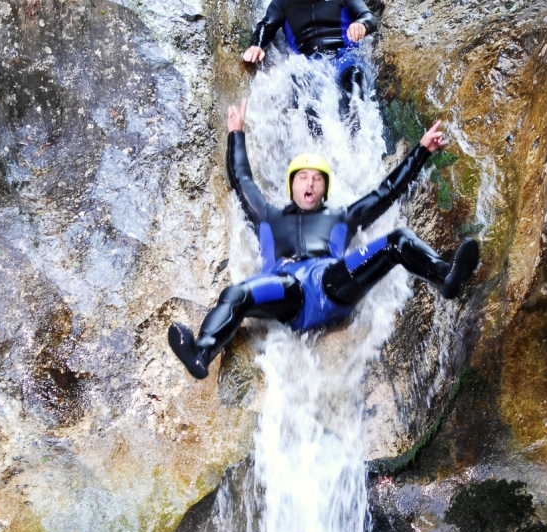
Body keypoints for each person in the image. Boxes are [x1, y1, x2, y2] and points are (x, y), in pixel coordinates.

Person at [168, 99, 480, 380]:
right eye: (303, 176)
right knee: (236, 294)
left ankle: (445, 276)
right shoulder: (267, 217)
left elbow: (388, 191)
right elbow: (241, 180)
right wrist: (236, 133)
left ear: (325, 188)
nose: (310, 182)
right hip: (287, 290)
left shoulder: (341, 217)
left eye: (317, 178)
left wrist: (422, 150)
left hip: (332, 283)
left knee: (397, 240)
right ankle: (202, 351)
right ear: (292, 184)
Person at [242, 0, 376, 130]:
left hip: (344, 56)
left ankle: (354, 143)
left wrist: (361, 24)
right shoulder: (282, 2)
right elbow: (267, 25)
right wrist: (256, 44)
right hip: (309, 63)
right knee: (302, 85)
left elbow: (368, 16)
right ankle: (319, 149)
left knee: (353, 78)